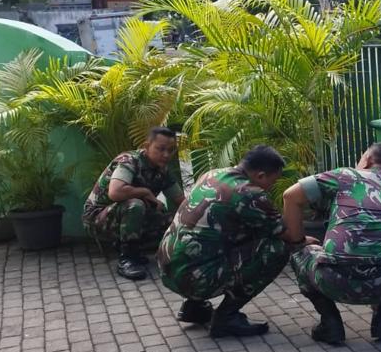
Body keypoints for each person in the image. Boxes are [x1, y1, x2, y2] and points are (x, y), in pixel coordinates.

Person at [156, 146, 308, 338]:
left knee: (222, 239)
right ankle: (226, 318)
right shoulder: (249, 194)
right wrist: (302, 239)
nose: (272, 185)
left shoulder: (212, 175)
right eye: (273, 180)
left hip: (167, 267)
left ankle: (194, 307)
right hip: (194, 278)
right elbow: (288, 235)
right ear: (261, 175)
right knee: (277, 250)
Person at [281, 143, 381, 346]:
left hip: (332, 280)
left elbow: (290, 196)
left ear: (367, 160)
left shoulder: (346, 175)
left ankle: (330, 322)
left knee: (298, 251)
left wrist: (298, 241)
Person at [83, 126, 184, 280]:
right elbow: (115, 192)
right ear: (146, 146)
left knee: (173, 221)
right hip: (98, 218)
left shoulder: (163, 170)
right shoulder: (129, 161)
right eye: (160, 149)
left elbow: (181, 201)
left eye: (170, 150)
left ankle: (137, 247)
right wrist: (145, 192)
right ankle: (127, 259)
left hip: (130, 216)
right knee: (135, 204)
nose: (166, 154)